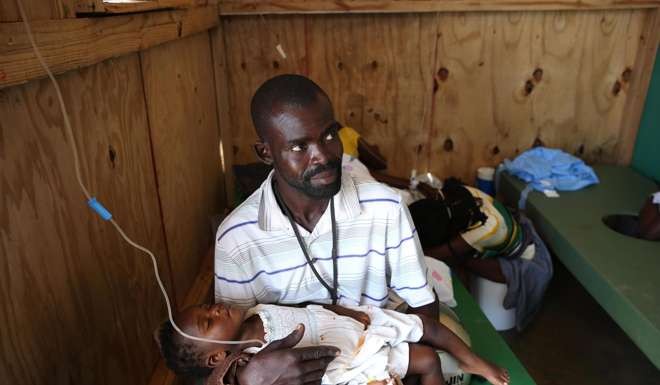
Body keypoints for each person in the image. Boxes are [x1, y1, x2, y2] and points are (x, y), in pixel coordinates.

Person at [213, 74, 438, 385]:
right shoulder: (237, 239)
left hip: (377, 366)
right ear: (265, 153)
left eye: (329, 136)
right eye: (299, 146)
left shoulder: (385, 207)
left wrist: (399, 370)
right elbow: (226, 346)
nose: (323, 155)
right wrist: (248, 377)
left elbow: (423, 307)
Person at [157, 302, 509, 385]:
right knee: (425, 359)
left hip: (356, 330)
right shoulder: (253, 365)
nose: (216, 309)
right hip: (352, 367)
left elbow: (309, 308)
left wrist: (344, 311)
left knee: (427, 333)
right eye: (209, 321)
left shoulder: (257, 309)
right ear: (217, 356)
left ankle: (470, 359)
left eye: (207, 307)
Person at [408, 179, 553, 330]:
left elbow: (439, 253)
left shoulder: (487, 229)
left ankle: (469, 316)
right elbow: (428, 194)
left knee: (457, 260)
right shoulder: (460, 196)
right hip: (500, 237)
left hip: (519, 258)